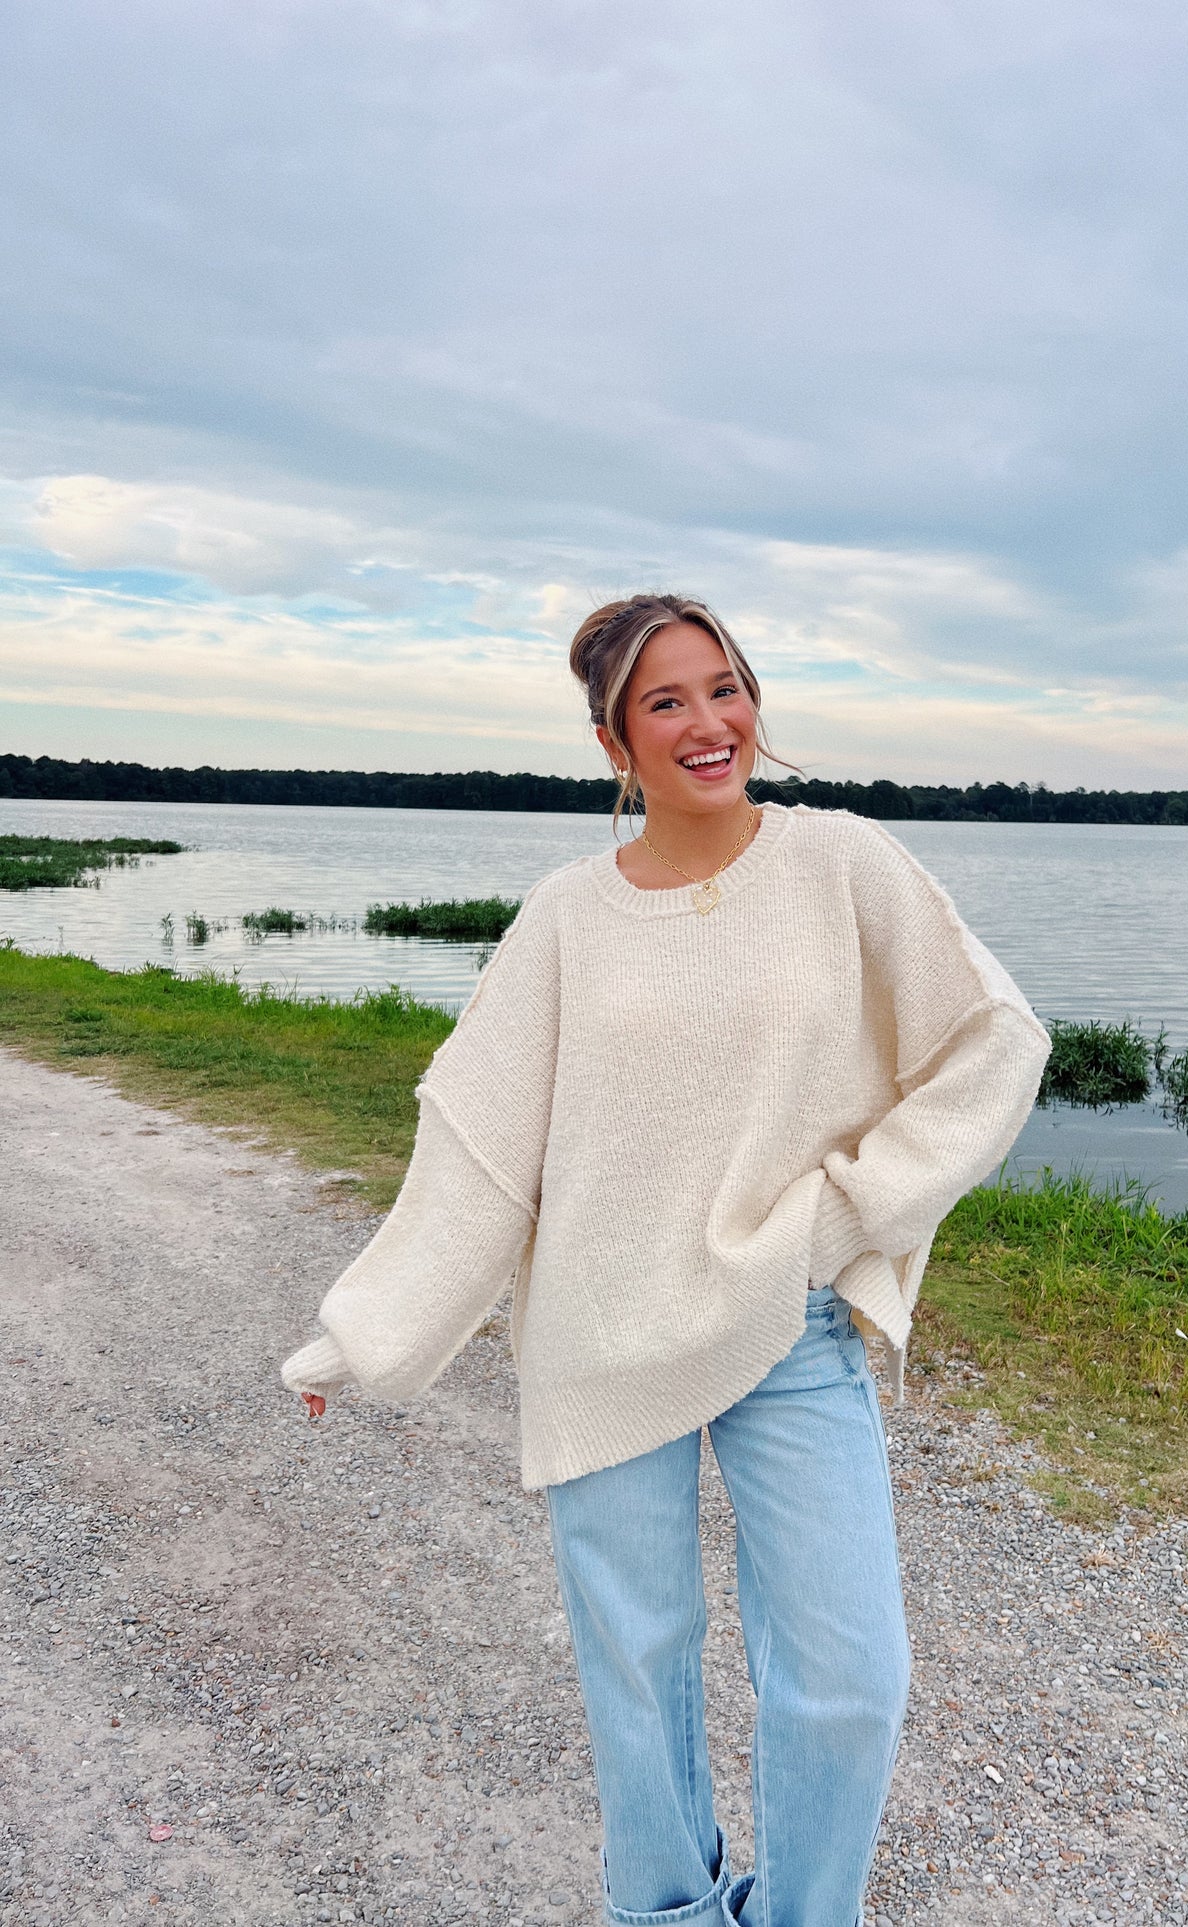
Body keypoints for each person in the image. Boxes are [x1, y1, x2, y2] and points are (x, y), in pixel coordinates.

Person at [282, 592, 1050, 1927]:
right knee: (636, 1667)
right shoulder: (566, 919)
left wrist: (843, 1215)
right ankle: (669, 1915)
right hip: (598, 1334)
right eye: (666, 702)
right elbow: (480, 1144)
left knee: (848, 1674)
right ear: (611, 742)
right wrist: (365, 1331)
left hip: (789, 1323)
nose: (710, 724)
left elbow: (994, 1045)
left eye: (725, 687)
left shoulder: (840, 863)